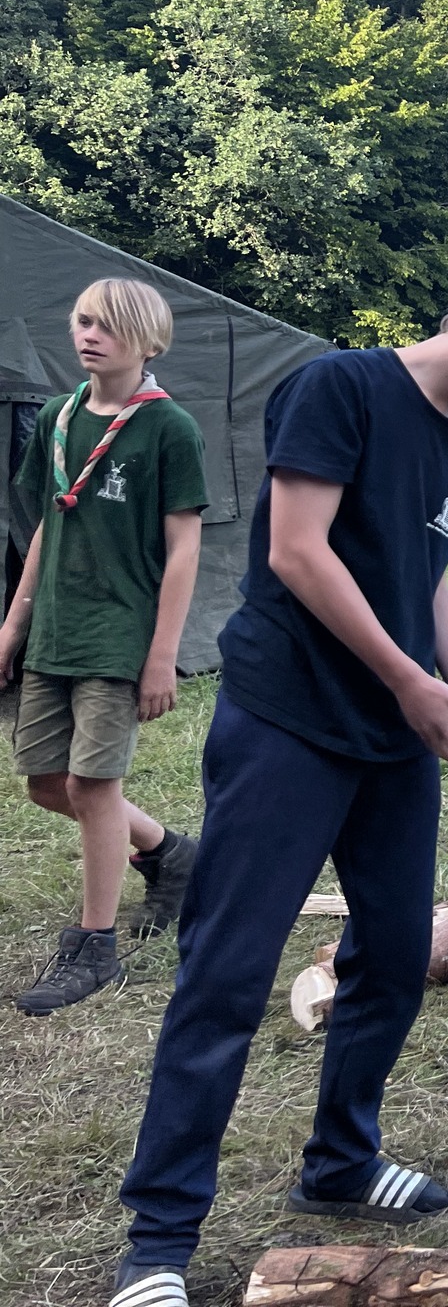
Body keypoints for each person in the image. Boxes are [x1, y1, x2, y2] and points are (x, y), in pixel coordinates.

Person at [110, 274, 448, 1307]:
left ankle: (339, 1162)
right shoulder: (339, 387)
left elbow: (432, 582)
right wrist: (408, 679)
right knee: (227, 973)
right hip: (289, 720)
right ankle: (157, 1241)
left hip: (394, 742)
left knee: (389, 959)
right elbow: (297, 553)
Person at [0, 278, 207, 1015]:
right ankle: (172, 854)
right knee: (45, 783)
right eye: (84, 321)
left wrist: (162, 654)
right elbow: (49, 526)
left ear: (148, 343)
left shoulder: (168, 427)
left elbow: (185, 548)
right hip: (56, 630)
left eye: (110, 326)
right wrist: (14, 624)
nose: (90, 335)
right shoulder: (56, 418)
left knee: (93, 787)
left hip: (119, 636)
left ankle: (95, 946)